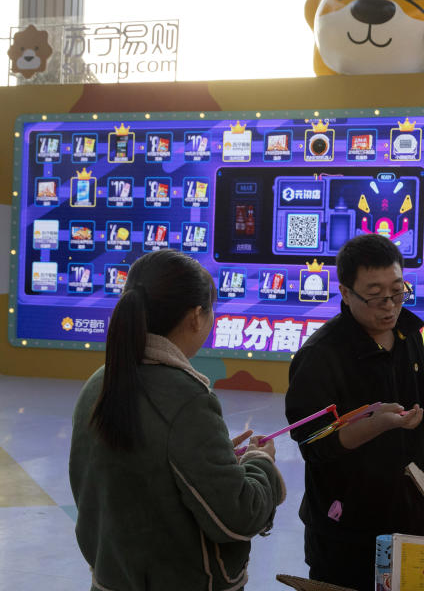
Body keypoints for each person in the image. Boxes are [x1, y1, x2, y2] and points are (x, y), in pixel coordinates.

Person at [69, 250, 286, 591]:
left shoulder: (99, 382)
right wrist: (261, 463)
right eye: (212, 309)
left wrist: (217, 461)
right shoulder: (187, 400)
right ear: (196, 316)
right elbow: (236, 517)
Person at [286, 234, 424, 590]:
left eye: (397, 291)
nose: (389, 305)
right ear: (345, 293)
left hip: (407, 512)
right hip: (346, 528)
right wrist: (372, 426)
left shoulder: (408, 334)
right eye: (374, 295)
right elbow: (313, 443)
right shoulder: (321, 356)